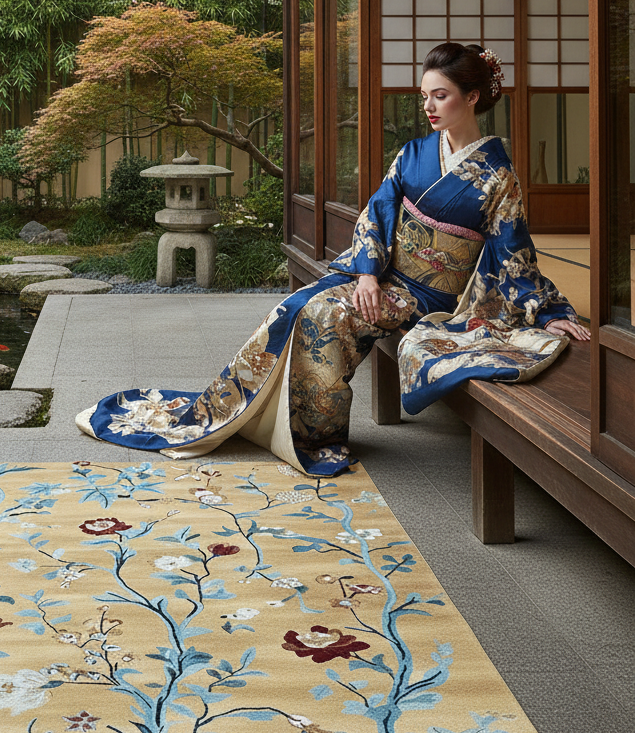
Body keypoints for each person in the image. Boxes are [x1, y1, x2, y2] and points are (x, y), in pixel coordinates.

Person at [77, 42, 591, 477]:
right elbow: (376, 213)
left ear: (472, 97)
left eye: (441, 96)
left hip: (428, 294)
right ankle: (245, 413)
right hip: (380, 273)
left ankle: (313, 435)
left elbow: (513, 252)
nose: (429, 107)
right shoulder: (413, 153)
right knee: (294, 306)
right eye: (424, 96)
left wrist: (547, 312)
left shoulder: (498, 176)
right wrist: (367, 274)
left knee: (326, 316)